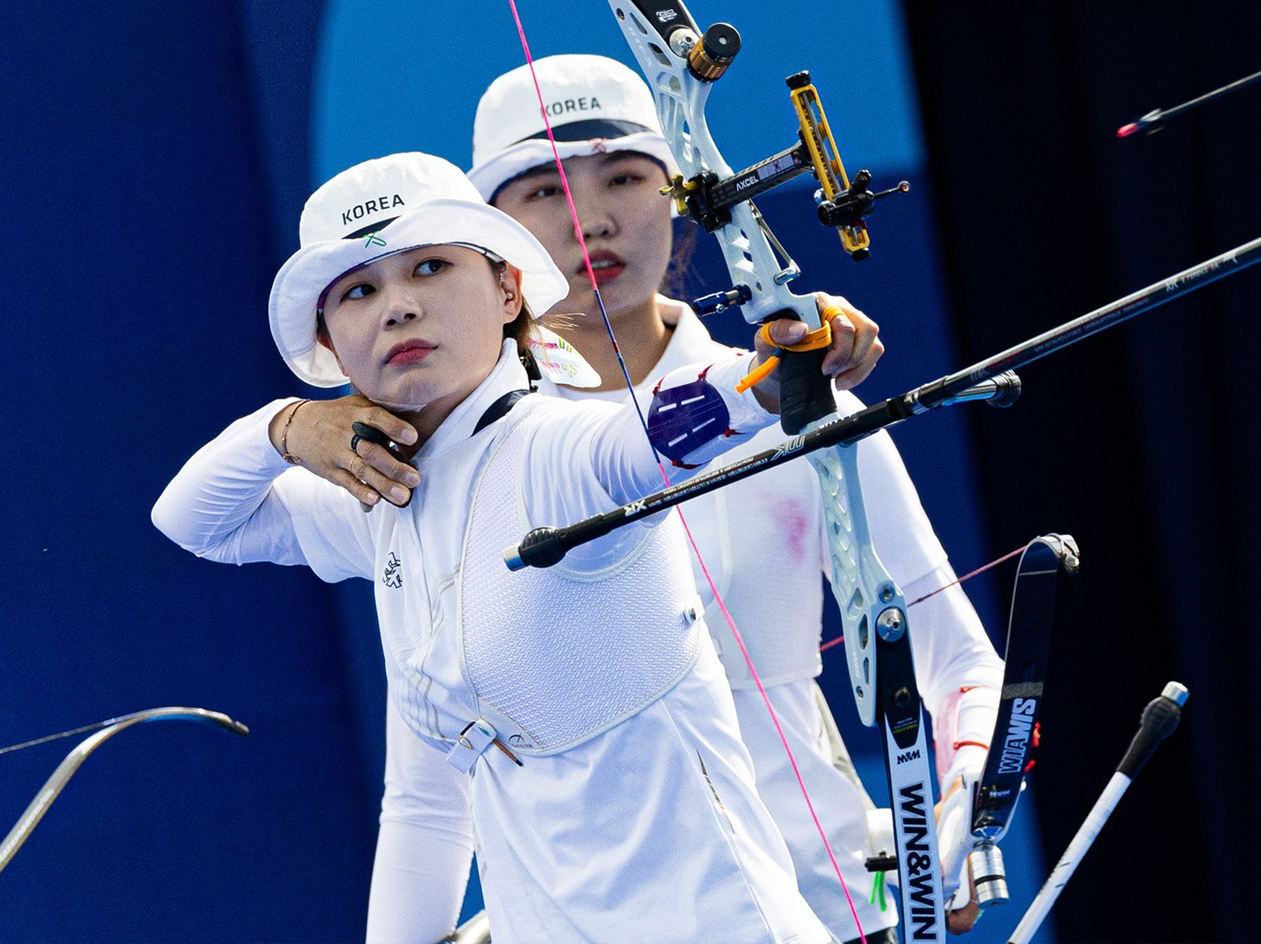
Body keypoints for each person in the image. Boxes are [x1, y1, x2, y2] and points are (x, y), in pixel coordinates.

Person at [300, 54, 1003, 943]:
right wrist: (290, 425)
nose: (592, 219)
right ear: (496, 248)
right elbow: (431, 784)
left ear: (679, 196)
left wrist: (961, 807)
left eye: (626, 177)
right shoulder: (443, 474)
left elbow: (962, 668)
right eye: (544, 191)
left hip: (818, 910)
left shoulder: (797, 406)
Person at [153, 152, 843, 944]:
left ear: (509, 289)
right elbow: (193, 521)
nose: (399, 307)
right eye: (358, 291)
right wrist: (283, 428)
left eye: (431, 267)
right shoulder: (377, 495)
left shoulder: (562, 452)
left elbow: (658, 428)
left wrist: (785, 365)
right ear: (332, 347)